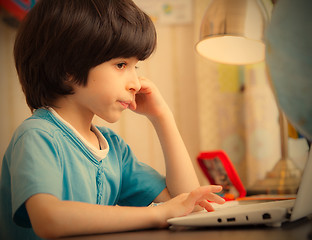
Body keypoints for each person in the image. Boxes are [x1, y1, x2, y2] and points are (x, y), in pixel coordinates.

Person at [0, 0, 225, 239]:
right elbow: (49, 219)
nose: (136, 83)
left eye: (135, 68)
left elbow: (189, 204)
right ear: (68, 69)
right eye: (121, 65)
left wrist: (162, 117)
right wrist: (158, 214)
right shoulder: (38, 136)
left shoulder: (114, 149)